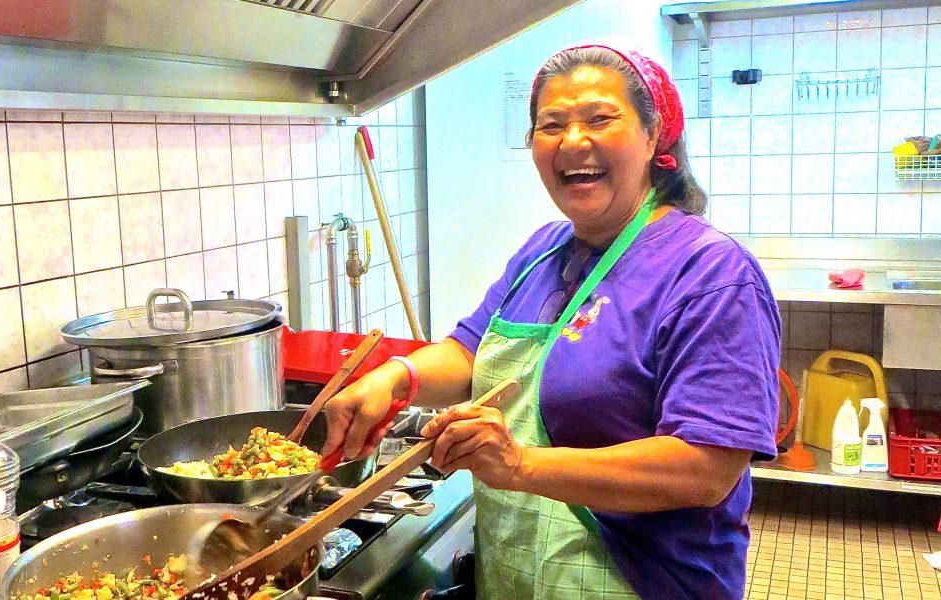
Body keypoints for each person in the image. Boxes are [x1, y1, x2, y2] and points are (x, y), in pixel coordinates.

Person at [323, 44, 780, 600]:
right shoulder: (543, 251)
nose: (572, 142)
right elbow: (468, 352)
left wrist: (520, 464)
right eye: (551, 125)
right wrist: (395, 378)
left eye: (599, 119)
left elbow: (706, 469)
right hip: (518, 579)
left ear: (654, 135)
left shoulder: (711, 274)